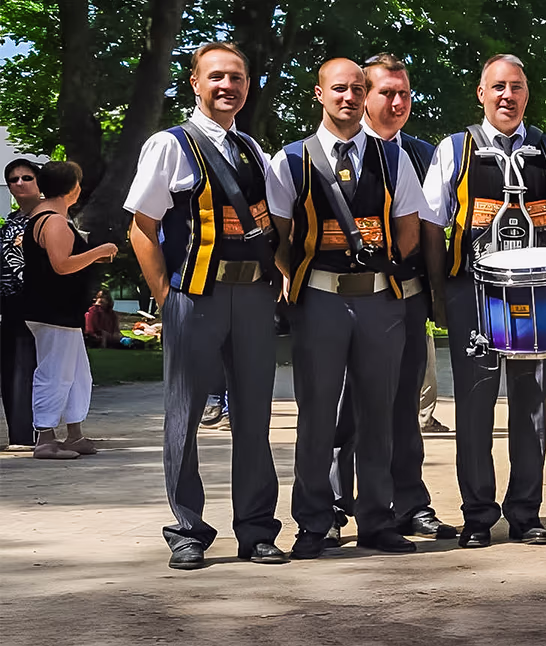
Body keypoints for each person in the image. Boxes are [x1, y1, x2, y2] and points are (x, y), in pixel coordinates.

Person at [126, 42, 290, 569]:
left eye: (237, 77)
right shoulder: (169, 145)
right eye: (216, 76)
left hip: (252, 297)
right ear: (194, 83)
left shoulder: (252, 149)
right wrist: (165, 297)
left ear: (247, 86)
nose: (228, 86)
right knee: (185, 415)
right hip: (195, 296)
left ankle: (257, 528)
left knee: (254, 415)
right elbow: (142, 227)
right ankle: (187, 530)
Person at [265, 58, 428, 557]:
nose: (350, 97)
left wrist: (385, 263)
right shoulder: (290, 160)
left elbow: (408, 226)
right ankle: (314, 522)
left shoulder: (392, 158)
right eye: (339, 89)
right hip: (319, 299)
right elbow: (279, 234)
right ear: (319, 94)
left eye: (358, 89)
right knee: (316, 416)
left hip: (380, 298)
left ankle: (378, 520)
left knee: (379, 414)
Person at [419, 54, 546, 548]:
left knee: (532, 407)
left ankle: (526, 512)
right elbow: (430, 225)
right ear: (481, 94)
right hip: (473, 292)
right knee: (474, 405)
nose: (508, 96)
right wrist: (439, 291)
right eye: (498, 87)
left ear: (527, 95)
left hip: (536, 298)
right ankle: (478, 516)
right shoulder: (455, 148)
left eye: (517, 87)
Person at [325, 53, 459, 543]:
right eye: (386, 93)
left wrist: (436, 299)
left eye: (404, 94)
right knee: (346, 405)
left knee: (405, 405)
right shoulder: (325, 154)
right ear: (362, 95)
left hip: (407, 296)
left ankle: (410, 502)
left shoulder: (423, 154)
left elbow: (436, 230)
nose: (397, 102)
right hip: (345, 296)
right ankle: (340, 503)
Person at [19, 161, 115, 460]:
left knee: (77, 374)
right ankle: (45, 438)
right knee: (55, 372)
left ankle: (74, 434)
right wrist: (100, 251)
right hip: (53, 311)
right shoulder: (54, 221)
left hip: (61, 312)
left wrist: (89, 257)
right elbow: (61, 265)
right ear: (72, 187)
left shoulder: (46, 217)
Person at [3, 158, 42, 449]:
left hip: (42, 306)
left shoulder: (49, 218)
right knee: (15, 369)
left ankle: (46, 431)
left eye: (26, 177)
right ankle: (21, 435)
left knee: (42, 369)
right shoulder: (10, 222)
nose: (19, 183)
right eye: (13, 179)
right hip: (11, 305)